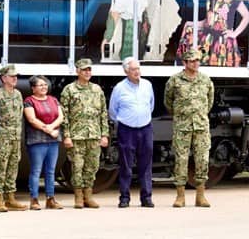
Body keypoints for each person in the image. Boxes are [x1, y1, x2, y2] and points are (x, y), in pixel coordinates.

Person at [164, 49, 215, 208]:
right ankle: (180, 196)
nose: (196, 63)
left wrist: (199, 116)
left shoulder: (205, 80)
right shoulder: (175, 80)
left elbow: (209, 102)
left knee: (202, 160)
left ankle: (201, 196)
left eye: (198, 60)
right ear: (185, 63)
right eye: (192, 61)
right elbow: (168, 101)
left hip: (201, 127)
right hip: (182, 127)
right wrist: (181, 116)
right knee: (181, 160)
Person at [60, 58, 109, 209]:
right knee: (77, 166)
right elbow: (64, 114)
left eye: (89, 70)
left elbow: (103, 113)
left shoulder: (97, 89)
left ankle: (88, 195)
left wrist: (104, 134)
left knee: (92, 166)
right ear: (77, 72)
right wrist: (66, 135)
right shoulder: (69, 90)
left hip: (94, 134)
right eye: (84, 70)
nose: (88, 72)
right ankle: (78, 197)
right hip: (76, 135)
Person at [109, 57, 155, 208]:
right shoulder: (119, 88)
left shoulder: (147, 85)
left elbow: (151, 105)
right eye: (134, 69)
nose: (137, 72)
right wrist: (126, 120)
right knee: (126, 165)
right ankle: (124, 198)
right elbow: (113, 111)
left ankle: (146, 198)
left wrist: (141, 117)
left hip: (145, 128)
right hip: (127, 130)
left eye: (138, 69)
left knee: (146, 164)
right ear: (126, 71)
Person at [24, 75, 64, 210]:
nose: (44, 87)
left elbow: (60, 116)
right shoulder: (29, 101)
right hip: (37, 141)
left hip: (53, 140)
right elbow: (32, 119)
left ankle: (50, 199)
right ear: (33, 88)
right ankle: (34, 199)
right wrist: (49, 130)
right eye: (40, 85)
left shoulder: (53, 99)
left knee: (51, 171)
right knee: (36, 170)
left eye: (45, 85)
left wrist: (52, 128)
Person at [0, 64, 28, 212]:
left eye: (16, 76)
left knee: (13, 167)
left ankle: (11, 198)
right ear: (3, 78)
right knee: (1, 168)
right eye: (12, 76)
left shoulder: (18, 94)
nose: (15, 79)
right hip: (2, 137)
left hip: (15, 137)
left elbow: (19, 115)